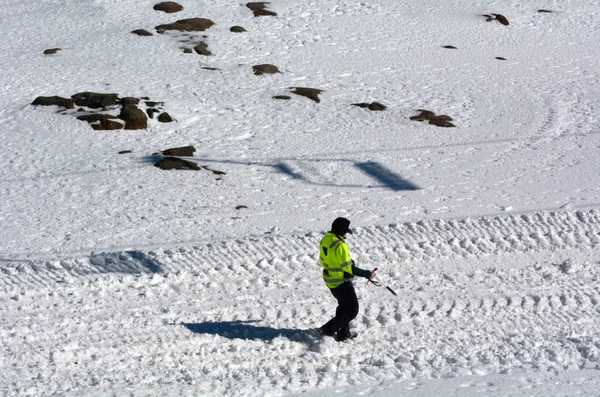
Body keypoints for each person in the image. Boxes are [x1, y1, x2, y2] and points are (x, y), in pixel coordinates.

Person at [318, 217, 375, 341]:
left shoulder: (326, 240)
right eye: (345, 231)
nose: (346, 233)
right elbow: (349, 269)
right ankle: (326, 329)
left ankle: (344, 334)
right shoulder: (340, 245)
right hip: (341, 282)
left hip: (330, 280)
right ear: (342, 230)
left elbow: (322, 260)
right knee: (351, 310)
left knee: (344, 306)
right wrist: (367, 274)